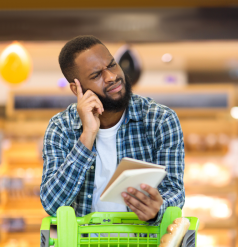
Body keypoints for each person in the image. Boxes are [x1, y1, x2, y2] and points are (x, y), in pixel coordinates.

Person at [40, 35, 185, 225]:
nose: (111, 77)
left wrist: (159, 209)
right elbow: (52, 205)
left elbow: (175, 192)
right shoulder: (61, 127)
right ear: (77, 90)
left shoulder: (160, 120)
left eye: (112, 65)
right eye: (96, 75)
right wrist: (87, 137)